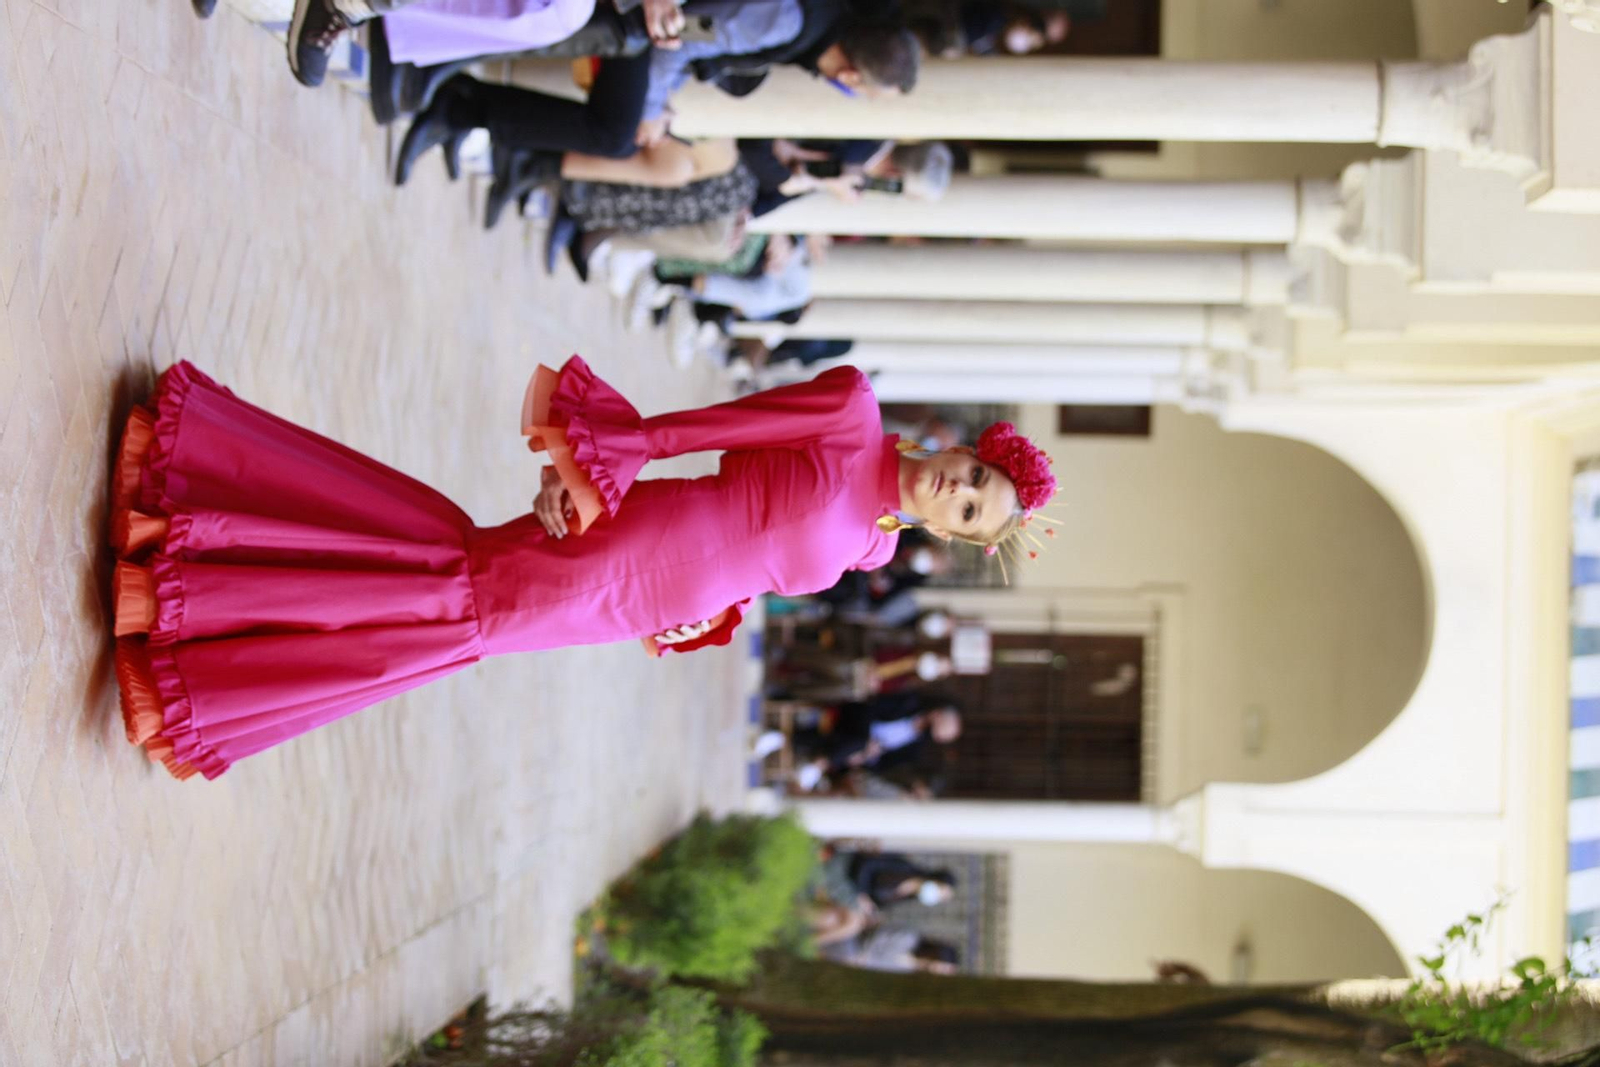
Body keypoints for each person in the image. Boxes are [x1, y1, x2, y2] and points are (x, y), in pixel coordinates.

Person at [107, 363, 1057, 780]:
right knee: (462, 597)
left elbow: (755, 578)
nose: (958, 488)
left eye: (971, 507)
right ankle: (188, 583)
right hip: (632, 538)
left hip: (645, 602)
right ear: (966, 449)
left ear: (959, 538)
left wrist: (696, 623)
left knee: (454, 614)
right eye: (973, 474)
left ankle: (204, 596)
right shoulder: (851, 410)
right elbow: (714, 430)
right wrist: (607, 466)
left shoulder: (877, 546)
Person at [392, 16, 920, 183]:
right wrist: (653, 109)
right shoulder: (789, 21)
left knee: (634, 143)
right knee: (617, 134)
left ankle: (469, 112)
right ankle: (460, 106)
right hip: (641, 22)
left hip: (652, 33)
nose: (860, 98)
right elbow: (683, 35)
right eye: (868, 92)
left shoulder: (808, 32)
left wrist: (661, 108)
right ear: (852, 72)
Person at [847, 851, 957, 908]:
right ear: (936, 880)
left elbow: (877, 903)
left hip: (853, 893)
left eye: (941, 898)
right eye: (940, 891)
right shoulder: (905, 868)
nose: (937, 895)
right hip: (849, 874)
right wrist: (862, 893)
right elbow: (867, 864)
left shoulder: (908, 895)